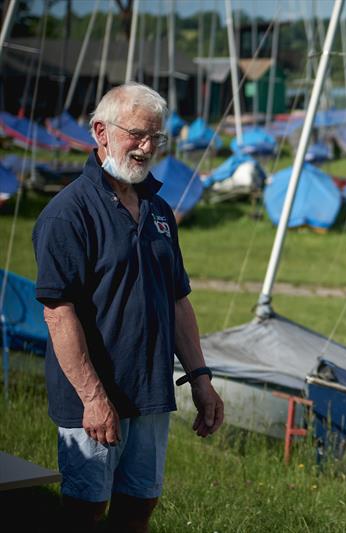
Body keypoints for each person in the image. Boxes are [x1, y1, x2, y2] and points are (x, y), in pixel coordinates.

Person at [33, 82, 224, 533]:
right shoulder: (68, 213)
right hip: (95, 397)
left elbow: (177, 300)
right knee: (85, 511)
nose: (146, 147)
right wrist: (94, 399)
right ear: (101, 131)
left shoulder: (158, 209)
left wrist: (200, 379)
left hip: (151, 393)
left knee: (139, 508)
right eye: (137, 134)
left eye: (156, 138)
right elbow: (59, 314)